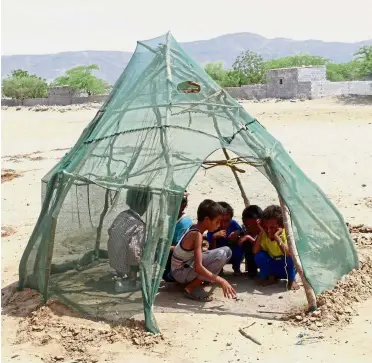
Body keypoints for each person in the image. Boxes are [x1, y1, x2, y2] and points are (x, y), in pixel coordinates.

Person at [171, 199, 236, 302]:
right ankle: (191, 288)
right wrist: (221, 280)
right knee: (221, 254)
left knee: (227, 251)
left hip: (184, 267)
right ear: (206, 220)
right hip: (180, 273)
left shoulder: (195, 229)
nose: (219, 225)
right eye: (217, 222)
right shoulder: (197, 235)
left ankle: (198, 282)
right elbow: (198, 267)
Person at [107, 186, 152, 292]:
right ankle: (131, 281)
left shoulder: (122, 215)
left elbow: (110, 231)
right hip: (123, 263)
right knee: (139, 252)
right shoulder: (139, 225)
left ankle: (121, 273)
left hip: (113, 259)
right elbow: (133, 251)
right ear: (144, 205)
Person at [252, 205, 298, 290]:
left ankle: (292, 280)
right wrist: (261, 231)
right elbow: (255, 251)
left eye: (273, 228)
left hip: (287, 269)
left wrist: (277, 238)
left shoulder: (287, 234)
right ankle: (271, 278)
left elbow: (288, 253)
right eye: (266, 227)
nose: (269, 231)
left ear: (282, 226)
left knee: (290, 256)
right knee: (259, 256)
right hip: (274, 268)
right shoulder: (266, 233)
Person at [163, 191, 193, 282]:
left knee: (167, 277)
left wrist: (164, 248)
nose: (168, 206)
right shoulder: (171, 218)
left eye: (171, 204)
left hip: (180, 259)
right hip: (171, 255)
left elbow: (181, 247)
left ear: (182, 206)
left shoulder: (184, 222)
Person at [207, 202, 243, 275]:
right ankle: (219, 270)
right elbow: (210, 250)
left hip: (232, 253)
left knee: (239, 250)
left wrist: (238, 233)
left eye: (226, 221)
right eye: (219, 221)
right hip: (219, 254)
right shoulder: (212, 228)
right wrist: (214, 237)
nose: (223, 224)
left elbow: (242, 232)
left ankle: (236, 268)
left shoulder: (233, 223)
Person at [237, 205, 263, 277]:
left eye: (252, 226)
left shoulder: (265, 229)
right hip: (254, 256)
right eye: (246, 225)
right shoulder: (245, 228)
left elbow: (263, 247)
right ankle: (251, 271)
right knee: (246, 244)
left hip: (265, 257)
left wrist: (249, 237)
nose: (248, 228)